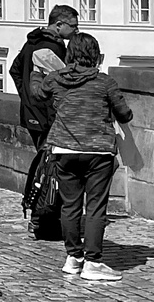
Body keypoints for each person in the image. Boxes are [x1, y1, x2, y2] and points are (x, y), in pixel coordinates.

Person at [41, 32, 133, 284]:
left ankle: (73, 258)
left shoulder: (54, 79)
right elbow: (124, 114)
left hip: (64, 149)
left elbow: (38, 93)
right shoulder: (105, 82)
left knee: (70, 206)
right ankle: (93, 262)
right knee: (95, 207)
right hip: (97, 151)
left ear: (70, 54)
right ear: (95, 56)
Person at [12, 5, 77, 237]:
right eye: (73, 26)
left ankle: (43, 218)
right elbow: (58, 85)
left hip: (32, 113)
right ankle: (41, 220)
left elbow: (15, 70)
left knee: (44, 166)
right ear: (59, 25)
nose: (75, 31)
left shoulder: (32, 42)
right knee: (49, 170)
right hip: (48, 116)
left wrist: (27, 97)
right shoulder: (53, 47)